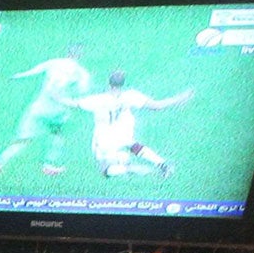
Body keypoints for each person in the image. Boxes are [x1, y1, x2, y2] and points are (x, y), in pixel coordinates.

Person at [0, 47, 93, 182]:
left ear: (67, 53)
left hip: (38, 109)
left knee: (22, 141)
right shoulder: (81, 73)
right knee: (57, 134)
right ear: (79, 56)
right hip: (57, 113)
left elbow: (34, 71)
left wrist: (17, 76)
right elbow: (82, 91)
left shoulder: (53, 62)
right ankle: (48, 164)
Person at [63, 70, 192, 179]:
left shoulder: (98, 99)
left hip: (104, 138)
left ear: (109, 83)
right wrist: (178, 99)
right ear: (123, 84)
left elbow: (75, 104)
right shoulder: (131, 95)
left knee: (104, 169)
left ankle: (130, 168)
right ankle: (161, 163)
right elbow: (156, 106)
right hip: (124, 132)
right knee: (132, 145)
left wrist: (57, 98)